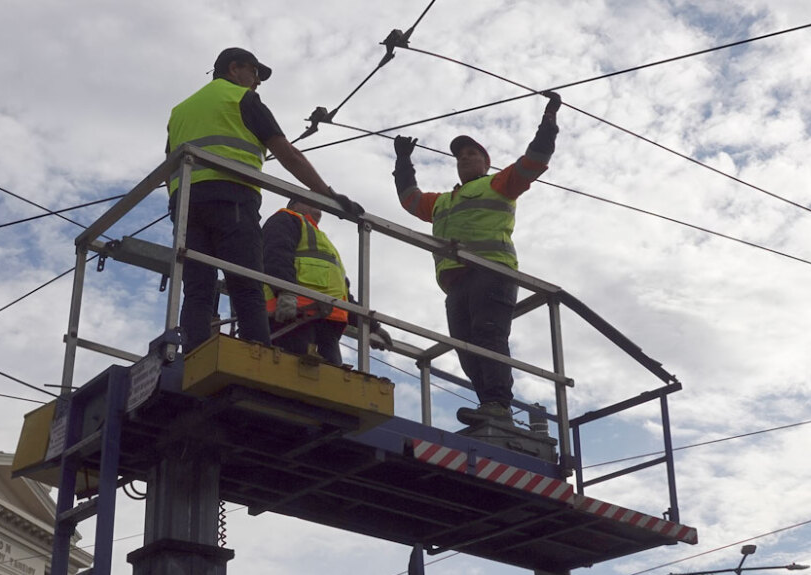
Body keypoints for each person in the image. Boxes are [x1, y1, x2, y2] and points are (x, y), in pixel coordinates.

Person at [166, 47, 363, 353]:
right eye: (255, 73)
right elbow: (288, 155)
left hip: (185, 204)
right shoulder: (242, 99)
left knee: (197, 288)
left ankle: (193, 353)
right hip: (231, 198)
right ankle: (256, 352)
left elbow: (169, 166)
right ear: (235, 69)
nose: (257, 82)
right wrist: (328, 195)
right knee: (247, 282)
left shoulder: (180, 110)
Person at [392, 91, 561, 426]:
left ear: (487, 164)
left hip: (492, 272)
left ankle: (498, 405)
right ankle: (490, 406)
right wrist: (403, 161)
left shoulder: (498, 184)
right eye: (461, 156)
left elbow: (535, 160)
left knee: (487, 335)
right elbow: (409, 199)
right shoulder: (442, 201)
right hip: (456, 282)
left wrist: (549, 121)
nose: (465, 158)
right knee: (465, 344)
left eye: (472, 154)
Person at [261, 200, 392, 365]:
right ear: (294, 205)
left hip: (327, 325)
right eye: (311, 202)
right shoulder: (286, 218)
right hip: (292, 315)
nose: (319, 207)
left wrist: (372, 327)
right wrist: (284, 292)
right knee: (293, 374)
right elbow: (276, 255)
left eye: (320, 204)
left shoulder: (322, 240)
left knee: (327, 383)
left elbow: (343, 297)